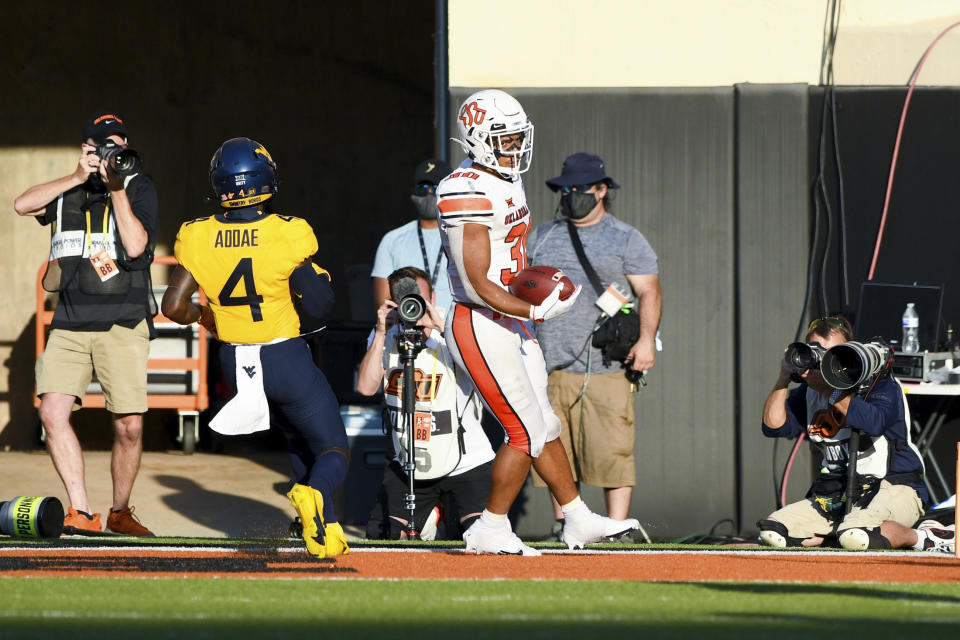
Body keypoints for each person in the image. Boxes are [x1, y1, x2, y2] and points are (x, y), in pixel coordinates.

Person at [437, 89, 640, 555]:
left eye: (516, 137)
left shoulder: (507, 181)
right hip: (480, 320)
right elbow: (473, 283)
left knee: (545, 424)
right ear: (478, 139)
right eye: (503, 138)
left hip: (508, 317)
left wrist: (532, 291)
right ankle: (489, 526)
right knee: (524, 431)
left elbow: (511, 260)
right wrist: (532, 309)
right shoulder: (464, 187)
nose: (513, 148)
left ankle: (576, 517)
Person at [161, 137, 349, 558]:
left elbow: (173, 306)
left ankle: (325, 530)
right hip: (284, 357)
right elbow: (319, 307)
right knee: (333, 446)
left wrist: (209, 319)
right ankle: (316, 497)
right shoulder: (288, 232)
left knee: (299, 440)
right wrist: (317, 279)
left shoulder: (195, 235)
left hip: (236, 361)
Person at [13, 111, 158, 537]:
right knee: (52, 412)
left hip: (123, 322)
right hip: (70, 324)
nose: (111, 153)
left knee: (129, 426)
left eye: (118, 145)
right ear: (86, 149)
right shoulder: (67, 191)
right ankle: (81, 511)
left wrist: (116, 189)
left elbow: (135, 246)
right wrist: (77, 176)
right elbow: (22, 204)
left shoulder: (139, 187)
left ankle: (119, 512)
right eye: (102, 146)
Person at [527, 152, 661, 535]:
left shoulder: (625, 238)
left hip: (606, 366)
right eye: (566, 190)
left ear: (601, 190)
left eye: (581, 189)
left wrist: (647, 341)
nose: (572, 196)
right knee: (556, 448)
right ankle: (566, 525)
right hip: (550, 364)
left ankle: (617, 528)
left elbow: (649, 291)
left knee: (612, 450)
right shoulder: (542, 235)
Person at [758, 316, 928, 549]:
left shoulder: (878, 383)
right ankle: (838, 534)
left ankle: (924, 537)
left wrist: (829, 390)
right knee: (773, 532)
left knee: (856, 534)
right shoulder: (811, 390)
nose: (823, 360)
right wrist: (784, 377)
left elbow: (874, 422)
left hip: (893, 486)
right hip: (838, 494)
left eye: (832, 353)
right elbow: (773, 426)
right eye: (816, 351)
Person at [356, 266, 494, 539]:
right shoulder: (385, 333)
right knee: (384, 537)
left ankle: (438, 518)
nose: (413, 307)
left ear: (431, 295)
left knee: (479, 538)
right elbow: (366, 387)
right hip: (410, 461)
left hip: (466, 460)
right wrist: (383, 332)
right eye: (405, 300)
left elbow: (485, 374)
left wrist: (440, 327)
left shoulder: (452, 324)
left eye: (419, 298)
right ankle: (428, 516)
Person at [371, 158, 453, 311]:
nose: (429, 193)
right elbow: (383, 304)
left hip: (454, 330)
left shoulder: (463, 237)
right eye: (422, 188)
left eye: (436, 188)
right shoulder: (392, 240)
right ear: (413, 191)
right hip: (407, 328)